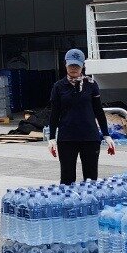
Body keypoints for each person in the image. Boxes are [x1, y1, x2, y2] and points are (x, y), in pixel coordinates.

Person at [46, 48, 114, 184]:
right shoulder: (58, 87)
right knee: (67, 178)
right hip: (67, 139)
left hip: (90, 138)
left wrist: (106, 135)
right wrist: (52, 138)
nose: (73, 68)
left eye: (77, 65)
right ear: (65, 64)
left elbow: (98, 111)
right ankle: (68, 205)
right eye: (71, 65)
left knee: (90, 179)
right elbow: (54, 114)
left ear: (83, 66)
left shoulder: (91, 85)